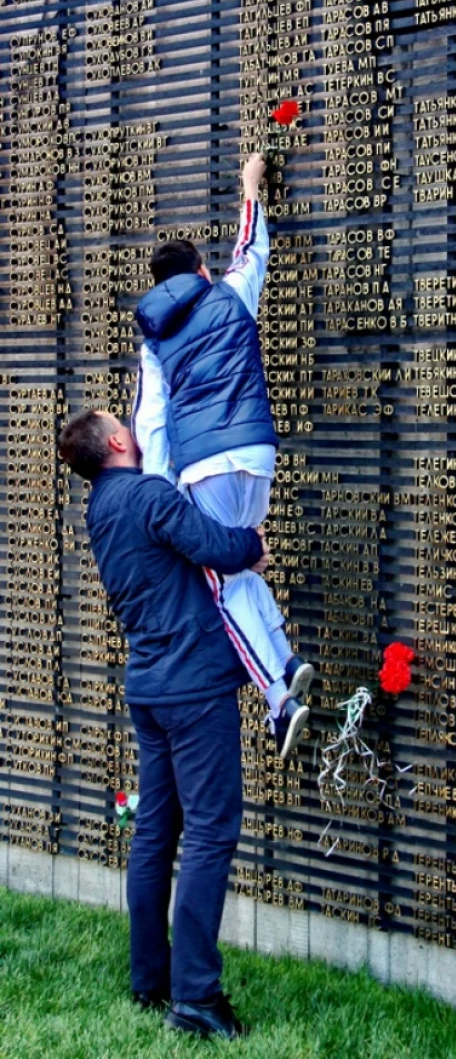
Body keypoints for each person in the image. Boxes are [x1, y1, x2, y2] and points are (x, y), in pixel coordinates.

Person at [58, 407, 266, 1040]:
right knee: (209, 831)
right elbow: (214, 545)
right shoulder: (147, 495)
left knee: (156, 833)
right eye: (123, 420)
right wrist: (254, 542)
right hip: (194, 687)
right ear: (118, 441)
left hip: (150, 688)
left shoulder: (100, 507)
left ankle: (150, 978)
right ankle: (197, 996)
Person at [132, 150, 314, 761]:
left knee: (221, 585)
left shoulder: (155, 338)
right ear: (202, 270)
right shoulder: (231, 293)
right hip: (257, 454)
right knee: (240, 564)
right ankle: (286, 662)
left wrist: (157, 489)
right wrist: (251, 185)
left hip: (203, 468)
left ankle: (278, 699)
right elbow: (252, 248)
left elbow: (150, 421)